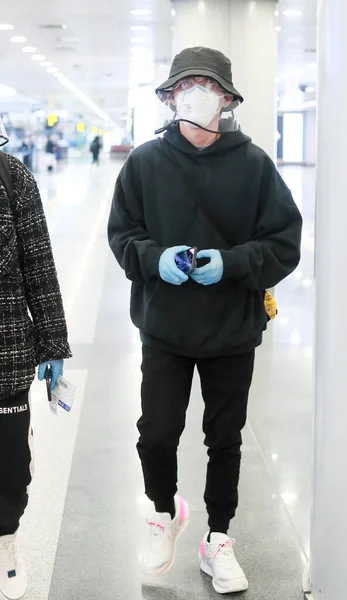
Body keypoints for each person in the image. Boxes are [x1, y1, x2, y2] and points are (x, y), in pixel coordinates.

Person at [108, 46, 302, 594]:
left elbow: (284, 241)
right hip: (164, 327)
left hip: (231, 328)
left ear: (227, 99)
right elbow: (122, 235)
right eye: (185, 84)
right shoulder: (144, 163)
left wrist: (235, 263)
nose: (196, 92)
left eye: (207, 84)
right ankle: (164, 514)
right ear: (170, 97)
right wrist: (153, 260)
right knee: (158, 431)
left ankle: (218, 537)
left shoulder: (254, 165)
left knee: (225, 436)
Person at [0, 118, 71, 600]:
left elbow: (38, 262)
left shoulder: (11, 175)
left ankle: (5, 541)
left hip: (5, 352)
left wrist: (52, 342)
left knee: (8, 460)